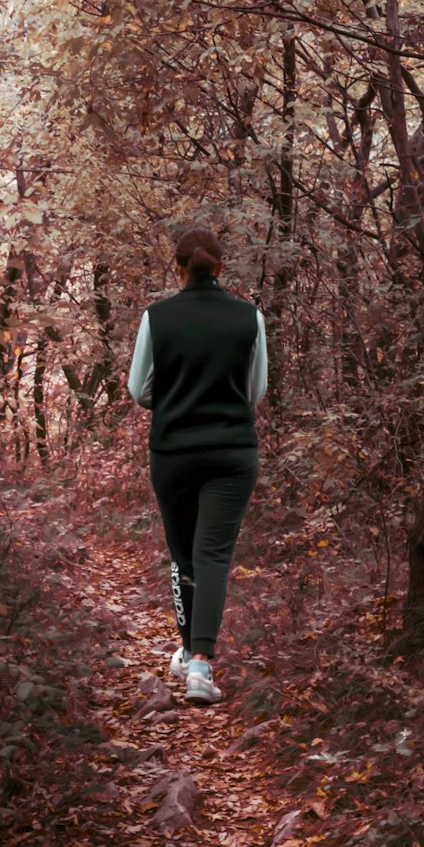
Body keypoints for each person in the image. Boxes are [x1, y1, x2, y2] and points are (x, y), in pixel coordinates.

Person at [128, 228, 267, 705]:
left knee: (184, 557)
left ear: (177, 267)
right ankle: (198, 664)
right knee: (212, 558)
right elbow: (255, 390)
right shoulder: (249, 317)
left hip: (173, 452)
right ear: (221, 267)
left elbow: (138, 389)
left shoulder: (157, 317)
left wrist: (176, 401)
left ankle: (193, 657)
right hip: (232, 451)